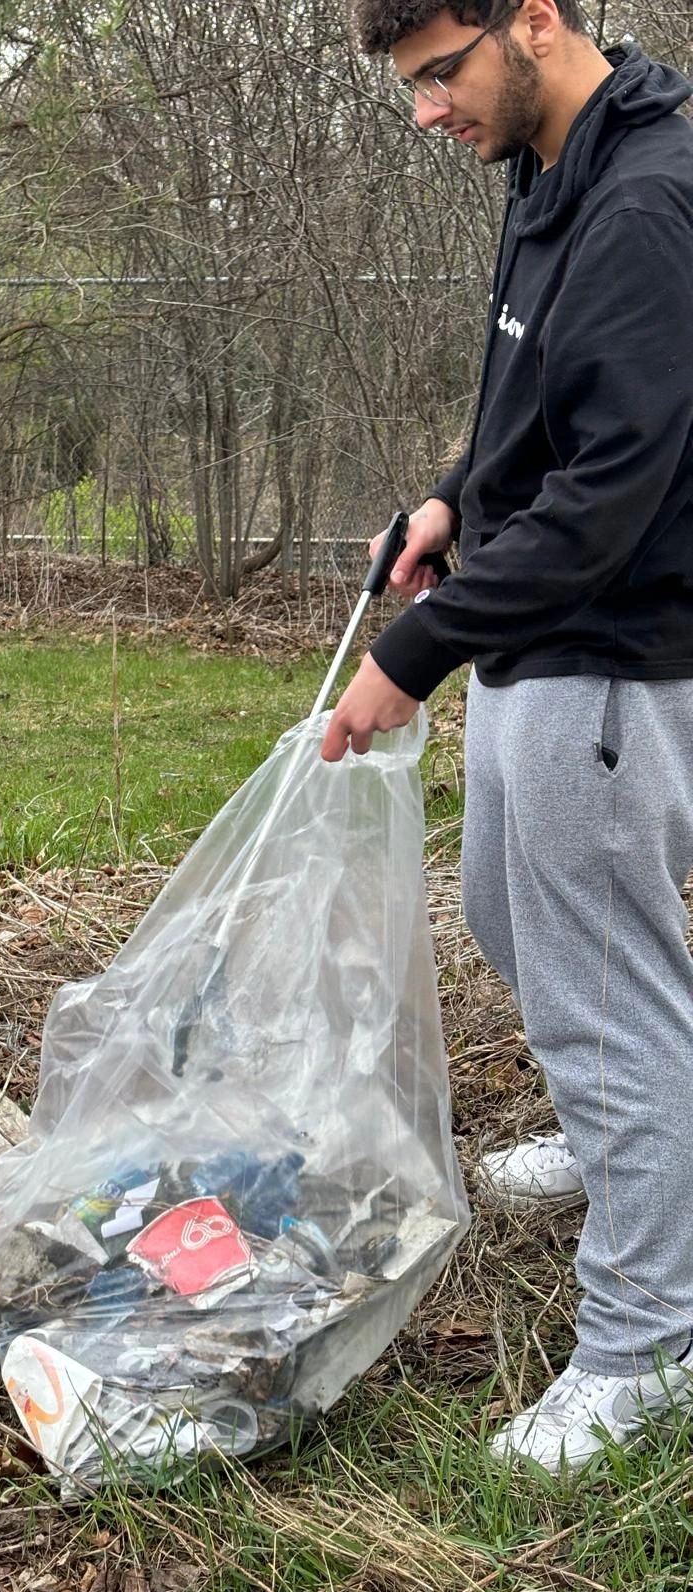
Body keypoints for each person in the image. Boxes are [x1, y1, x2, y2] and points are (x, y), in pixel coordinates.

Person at [326, 0, 693, 1474]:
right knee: (502, 908)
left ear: (533, 18)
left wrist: (410, 658)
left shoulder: (648, 204)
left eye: (441, 75)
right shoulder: (552, 168)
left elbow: (608, 491)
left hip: (610, 654)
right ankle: (625, 1136)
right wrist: (449, 497)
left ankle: (648, 1343)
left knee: (610, 995)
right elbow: (536, 404)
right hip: (531, 633)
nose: (430, 114)